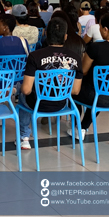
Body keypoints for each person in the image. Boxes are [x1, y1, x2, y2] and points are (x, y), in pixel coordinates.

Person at [17, 17, 82, 149]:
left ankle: (24, 137)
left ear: (45, 33)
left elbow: (26, 90)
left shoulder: (35, 56)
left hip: (37, 104)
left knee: (21, 92)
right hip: (62, 103)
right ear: (65, 37)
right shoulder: (76, 57)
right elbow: (75, 91)